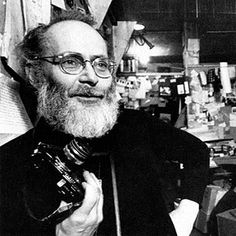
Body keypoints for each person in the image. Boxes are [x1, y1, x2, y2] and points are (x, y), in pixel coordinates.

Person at [0, 10, 209, 236]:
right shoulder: (8, 164)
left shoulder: (135, 125)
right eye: (71, 61)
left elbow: (196, 151)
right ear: (36, 75)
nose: (92, 77)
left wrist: (186, 213)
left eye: (101, 64)